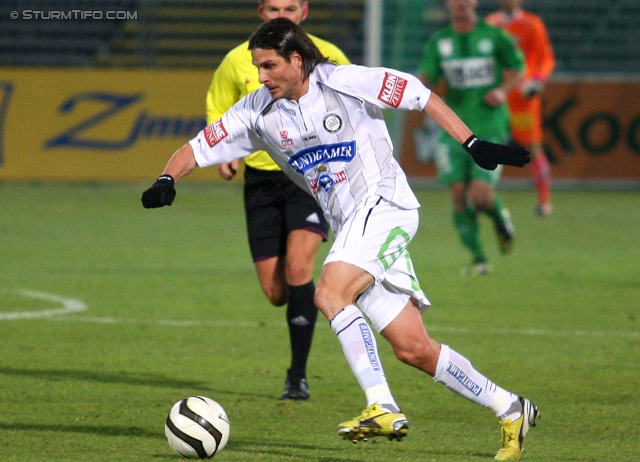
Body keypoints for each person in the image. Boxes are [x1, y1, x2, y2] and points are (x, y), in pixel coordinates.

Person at [142, 18, 537, 460]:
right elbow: (197, 147)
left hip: (386, 205)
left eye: (269, 66)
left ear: (296, 59)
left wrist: (472, 143)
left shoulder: (345, 81)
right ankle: (511, 407)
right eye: (257, 68)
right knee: (414, 348)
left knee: (329, 292)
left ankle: (382, 405)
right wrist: (166, 178)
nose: (261, 76)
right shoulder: (255, 111)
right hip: (353, 226)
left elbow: (419, 94)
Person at [205, 0, 350, 401]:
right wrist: (228, 151)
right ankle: (300, 311)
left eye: (289, 6)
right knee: (276, 291)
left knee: (300, 265)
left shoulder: (326, 57)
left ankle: (297, 377)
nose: (281, 14)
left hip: (310, 178)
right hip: (262, 182)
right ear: (259, 11)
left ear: (305, 10)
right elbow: (220, 110)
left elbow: (350, 107)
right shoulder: (238, 60)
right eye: (273, 7)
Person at [418, 0, 525, 276]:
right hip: (454, 127)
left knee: (479, 195)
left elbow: (517, 67)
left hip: (490, 125)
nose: (461, 3)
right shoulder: (439, 41)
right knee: (457, 195)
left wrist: (502, 91)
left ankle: (500, 217)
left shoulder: (494, 35)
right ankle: (479, 259)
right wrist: (419, 83)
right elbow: (428, 76)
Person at [486, 0, 556, 217]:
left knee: (533, 147)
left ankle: (544, 200)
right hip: (497, 95)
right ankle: (485, 197)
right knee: (489, 145)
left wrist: (537, 80)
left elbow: (546, 59)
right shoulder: (490, 24)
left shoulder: (531, 24)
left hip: (522, 100)